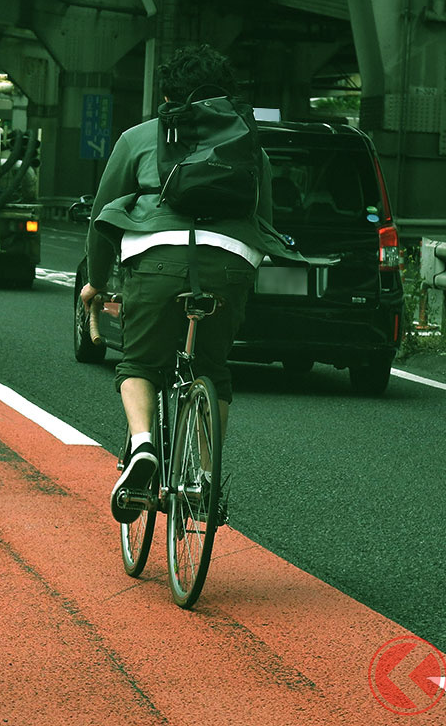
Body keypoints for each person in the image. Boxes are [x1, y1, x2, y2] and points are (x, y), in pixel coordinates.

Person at [80, 44, 302, 523]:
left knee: (138, 362)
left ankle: (142, 448)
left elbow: (102, 217)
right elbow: (264, 224)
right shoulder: (250, 149)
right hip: (229, 268)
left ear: (166, 97)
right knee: (214, 371)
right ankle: (202, 476)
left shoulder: (139, 138)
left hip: (155, 265)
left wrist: (95, 283)